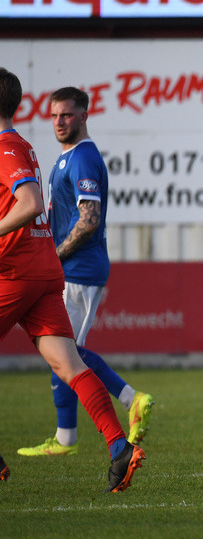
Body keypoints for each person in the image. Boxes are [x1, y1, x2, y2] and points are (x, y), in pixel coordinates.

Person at [0, 67, 144, 492]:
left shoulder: (7, 149)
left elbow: (30, 204)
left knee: (72, 362)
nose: (59, 122)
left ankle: (75, 434)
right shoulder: (23, 145)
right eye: (55, 115)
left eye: (66, 114)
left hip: (20, 271)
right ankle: (119, 447)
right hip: (43, 272)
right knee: (70, 364)